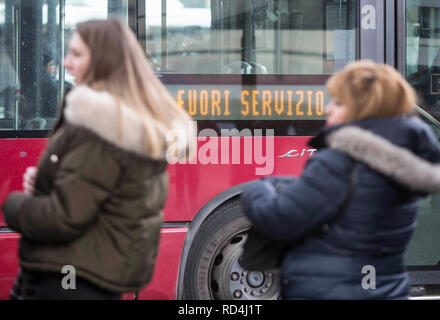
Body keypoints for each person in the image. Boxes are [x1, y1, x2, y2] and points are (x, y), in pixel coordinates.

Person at [2, 18, 196, 300]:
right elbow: (97, 196)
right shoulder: (121, 123)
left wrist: (15, 205)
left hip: (68, 276)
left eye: (77, 55)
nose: (66, 63)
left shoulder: (102, 127)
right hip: (84, 273)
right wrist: (50, 181)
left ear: (105, 61)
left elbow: (65, 217)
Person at [240, 60, 440, 300]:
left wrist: (256, 188)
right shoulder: (404, 160)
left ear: (361, 109)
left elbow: (278, 217)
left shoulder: (342, 163)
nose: (328, 109)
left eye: (338, 102)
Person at [39, 52, 59, 119]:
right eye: (51, 65)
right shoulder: (48, 81)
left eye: (54, 65)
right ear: (43, 67)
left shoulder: (44, 80)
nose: (54, 67)